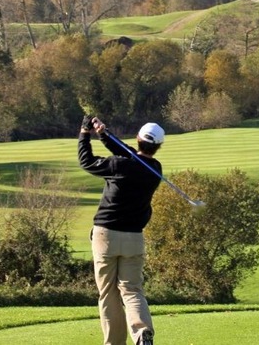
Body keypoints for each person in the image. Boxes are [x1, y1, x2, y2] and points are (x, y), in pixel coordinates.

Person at [78, 115, 165, 345]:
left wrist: (85, 135)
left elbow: (86, 162)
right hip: (134, 238)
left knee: (108, 292)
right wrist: (104, 135)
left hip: (105, 235)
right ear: (158, 147)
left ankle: (115, 343)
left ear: (137, 138)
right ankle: (142, 332)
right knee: (132, 290)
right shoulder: (155, 169)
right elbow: (132, 155)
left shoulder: (118, 165)